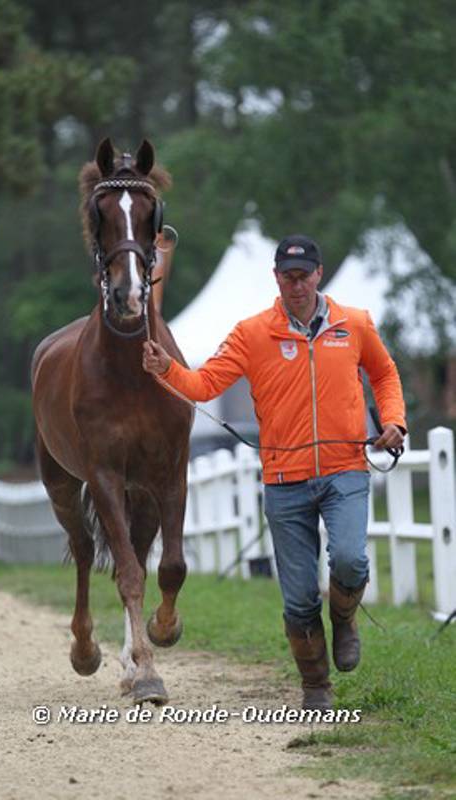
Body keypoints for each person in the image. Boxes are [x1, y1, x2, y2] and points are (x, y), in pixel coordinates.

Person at [142, 234, 406, 711]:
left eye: (304, 276)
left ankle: (344, 619)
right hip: (285, 480)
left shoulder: (355, 323)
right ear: (277, 278)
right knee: (299, 598)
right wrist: (166, 369)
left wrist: (393, 421)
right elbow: (204, 384)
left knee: (350, 560)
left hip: (346, 469)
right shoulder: (252, 333)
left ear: (319, 274)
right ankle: (315, 687)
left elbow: (384, 374)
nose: (296, 285)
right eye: (288, 277)